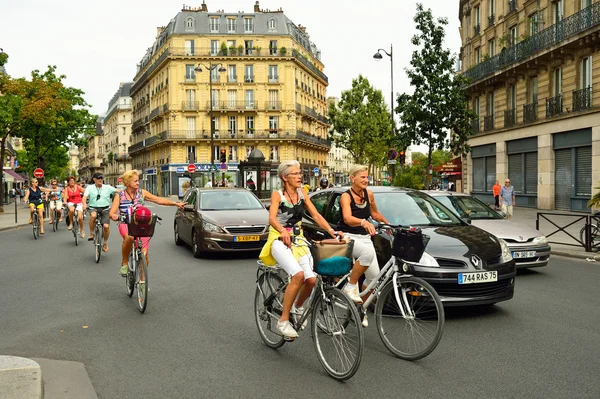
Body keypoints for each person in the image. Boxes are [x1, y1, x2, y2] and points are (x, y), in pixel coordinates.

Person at [259, 160, 342, 339]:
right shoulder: (277, 195)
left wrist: (332, 232)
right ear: (284, 177)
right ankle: (283, 320)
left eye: (299, 174)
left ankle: (298, 306)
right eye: (295, 174)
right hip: (278, 239)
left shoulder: (302, 193)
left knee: (311, 279)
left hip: (298, 239)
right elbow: (272, 218)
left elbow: (316, 215)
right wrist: (282, 231)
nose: (299, 176)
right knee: (298, 275)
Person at [338, 165, 390, 327]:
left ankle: (360, 309)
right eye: (362, 177)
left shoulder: (369, 194)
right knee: (367, 253)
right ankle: (351, 286)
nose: (366, 180)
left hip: (365, 237)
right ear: (352, 178)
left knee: (374, 278)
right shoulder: (346, 197)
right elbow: (347, 218)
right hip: (348, 237)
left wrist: (390, 225)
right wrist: (362, 222)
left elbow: (374, 214)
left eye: (367, 177)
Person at [109, 170, 185, 277]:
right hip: (125, 222)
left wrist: (175, 203)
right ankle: (125, 262)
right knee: (129, 238)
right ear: (127, 183)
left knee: (145, 253)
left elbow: (158, 200)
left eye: (138, 180)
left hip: (142, 224)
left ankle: (142, 280)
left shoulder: (142, 193)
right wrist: (115, 216)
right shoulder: (120, 195)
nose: (138, 183)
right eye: (135, 181)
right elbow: (111, 213)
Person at [82, 172, 117, 253]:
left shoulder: (107, 187)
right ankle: (91, 233)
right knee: (93, 216)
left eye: (101, 178)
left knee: (106, 226)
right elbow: (84, 197)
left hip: (105, 208)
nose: (100, 179)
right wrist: (84, 204)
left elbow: (118, 191)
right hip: (93, 207)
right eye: (98, 178)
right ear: (94, 179)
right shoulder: (90, 188)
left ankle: (105, 243)